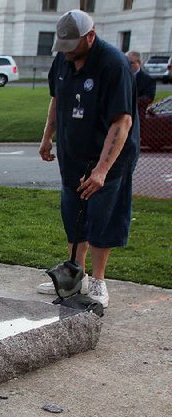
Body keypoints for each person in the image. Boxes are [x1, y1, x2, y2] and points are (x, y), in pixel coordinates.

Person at [37, 9, 139, 308]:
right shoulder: (63, 60)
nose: (66, 54)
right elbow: (56, 99)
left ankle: (98, 281)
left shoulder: (113, 65)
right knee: (74, 217)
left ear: (90, 37)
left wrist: (102, 170)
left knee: (101, 220)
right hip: (73, 156)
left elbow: (122, 123)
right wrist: (47, 136)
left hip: (108, 160)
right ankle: (74, 275)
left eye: (72, 46)